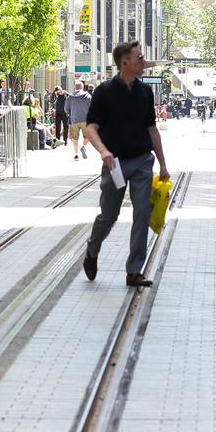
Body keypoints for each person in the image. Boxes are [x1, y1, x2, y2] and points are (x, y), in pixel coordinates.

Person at [82, 41, 170, 288]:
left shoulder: (145, 92)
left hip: (142, 160)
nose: (143, 62)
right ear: (125, 63)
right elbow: (91, 127)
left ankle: (134, 270)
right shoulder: (105, 91)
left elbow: (152, 129)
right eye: (139, 58)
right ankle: (92, 249)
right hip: (115, 163)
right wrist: (103, 151)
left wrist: (162, 164)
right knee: (109, 215)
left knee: (142, 212)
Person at [65, 80, 92, 159]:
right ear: (82, 87)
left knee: (75, 138)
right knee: (87, 137)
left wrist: (70, 113)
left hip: (74, 119)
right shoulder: (88, 96)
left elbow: (66, 109)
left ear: (75, 87)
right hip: (86, 120)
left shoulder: (70, 97)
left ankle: (76, 154)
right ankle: (83, 147)